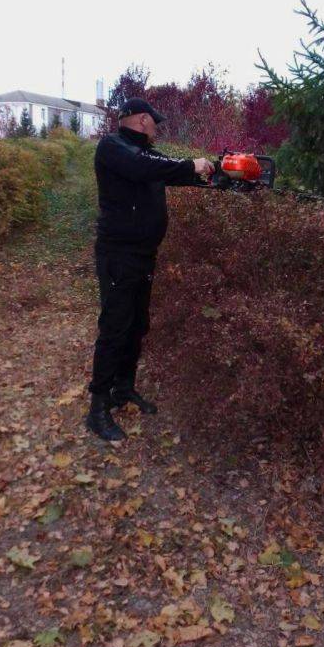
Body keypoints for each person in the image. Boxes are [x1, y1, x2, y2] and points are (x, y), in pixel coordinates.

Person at [86, 97, 215, 441]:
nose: (156, 128)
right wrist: (191, 164)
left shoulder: (147, 154)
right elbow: (147, 168)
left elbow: (168, 169)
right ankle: (97, 409)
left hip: (143, 255)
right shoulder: (112, 148)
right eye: (154, 122)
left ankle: (123, 389)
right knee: (115, 328)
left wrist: (215, 173)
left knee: (137, 325)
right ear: (143, 120)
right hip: (118, 255)